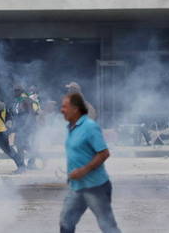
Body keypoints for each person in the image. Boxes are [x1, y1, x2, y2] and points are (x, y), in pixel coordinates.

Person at [59, 92, 121, 233]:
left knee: (108, 226)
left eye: (65, 107)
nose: (61, 110)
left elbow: (104, 153)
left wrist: (82, 171)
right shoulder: (71, 127)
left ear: (75, 109)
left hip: (95, 187)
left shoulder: (89, 127)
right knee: (66, 223)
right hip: (77, 187)